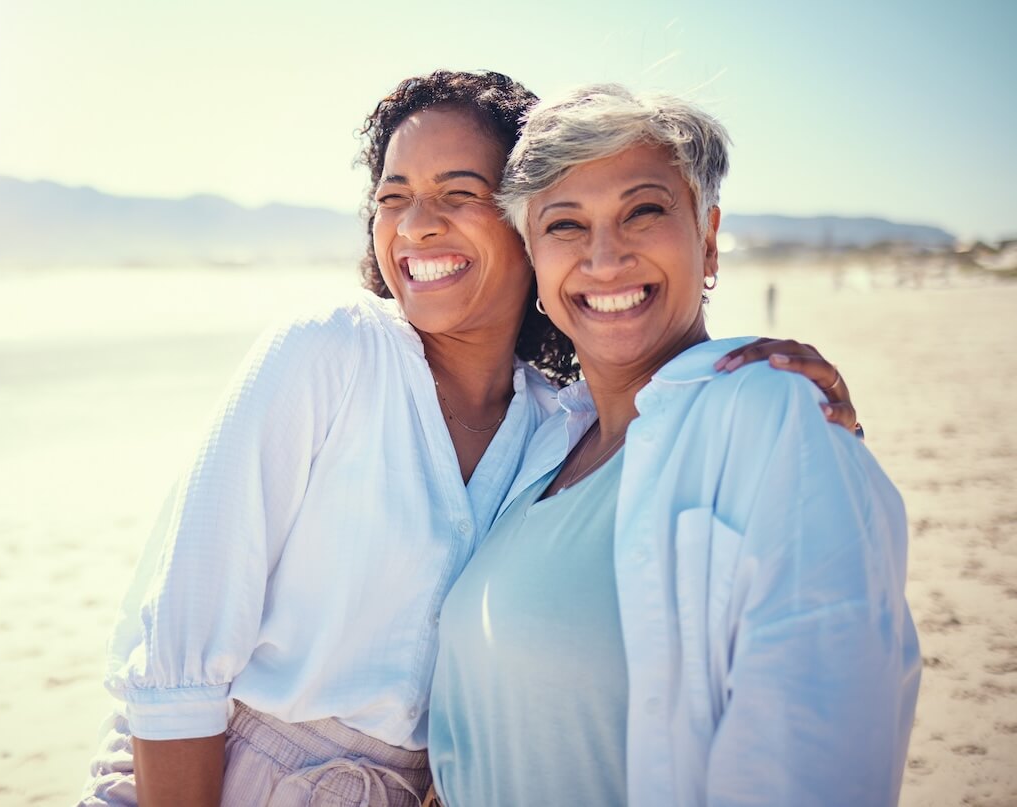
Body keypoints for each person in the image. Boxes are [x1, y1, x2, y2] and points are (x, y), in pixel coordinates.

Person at [79, 72, 859, 807]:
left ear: (523, 223)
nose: (418, 224)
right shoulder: (330, 351)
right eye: (395, 197)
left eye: (459, 192)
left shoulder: (562, 427)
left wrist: (765, 380)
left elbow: (661, 373)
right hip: (210, 775)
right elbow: (175, 659)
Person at [428, 84, 919, 806]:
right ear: (534, 260)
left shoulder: (772, 413)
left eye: (644, 211)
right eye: (565, 225)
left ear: (709, 237)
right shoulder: (538, 444)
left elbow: (810, 753)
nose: (605, 257)